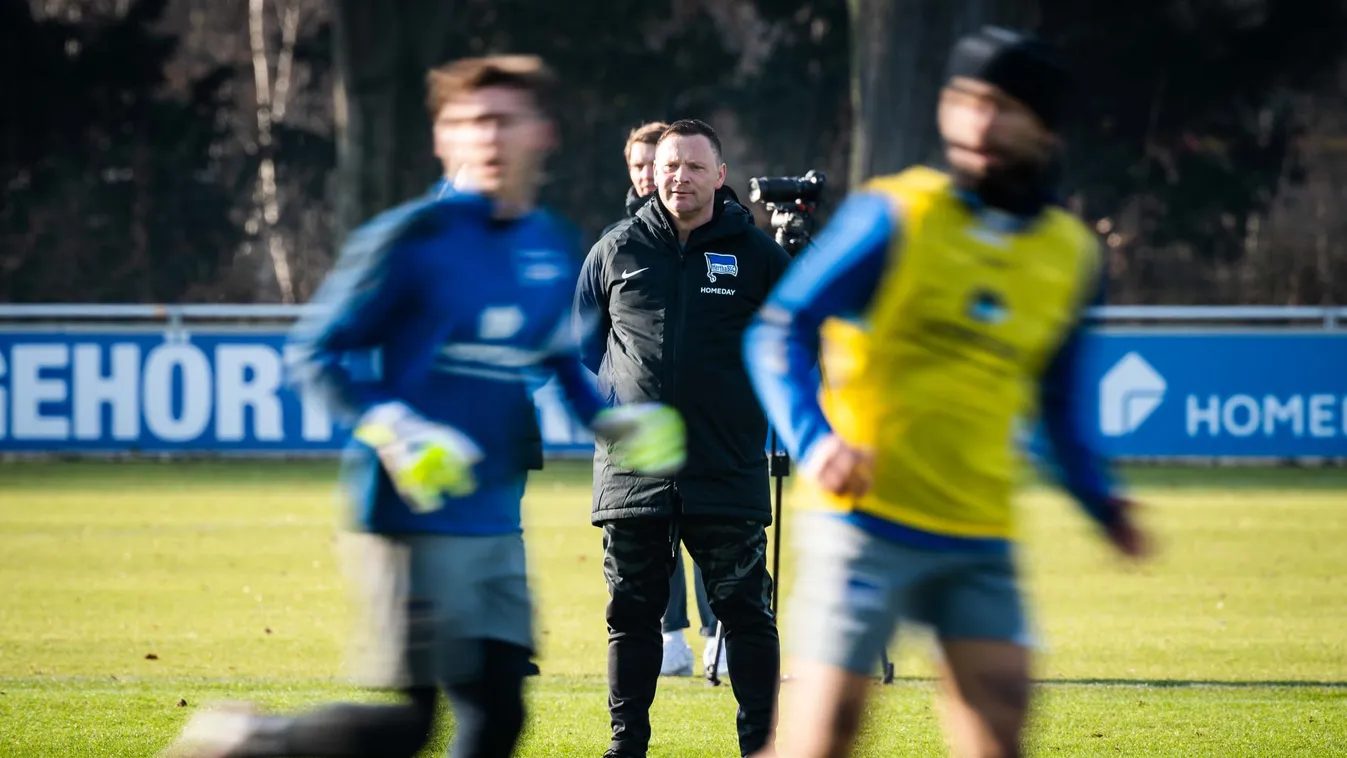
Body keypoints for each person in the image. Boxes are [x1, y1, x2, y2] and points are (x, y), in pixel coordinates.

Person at [159, 55, 687, 758]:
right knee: (416, 723)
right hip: (411, 513)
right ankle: (254, 741)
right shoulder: (411, 238)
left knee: (498, 715)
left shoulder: (548, 242)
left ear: (543, 134)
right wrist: (397, 431)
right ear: (443, 139)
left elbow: (557, 360)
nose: (489, 137)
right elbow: (315, 352)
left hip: (496, 521)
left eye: (505, 120)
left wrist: (609, 419)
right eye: (470, 123)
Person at [742, 27, 1149, 758]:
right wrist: (815, 441)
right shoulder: (895, 215)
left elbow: (1058, 407)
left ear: (1045, 126)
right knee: (819, 740)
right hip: (861, 523)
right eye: (963, 102)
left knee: (999, 735)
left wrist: (1101, 502)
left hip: (977, 534)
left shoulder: (1071, 255)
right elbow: (778, 331)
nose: (976, 123)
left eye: (1000, 106)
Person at [576, 118, 792, 758]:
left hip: (725, 467)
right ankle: (626, 745)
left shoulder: (756, 255)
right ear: (651, 173)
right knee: (632, 616)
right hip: (634, 472)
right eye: (670, 165)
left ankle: (761, 744)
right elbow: (583, 351)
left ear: (720, 176)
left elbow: (796, 339)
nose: (680, 177)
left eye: (695, 166)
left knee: (747, 615)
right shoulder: (615, 249)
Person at [603, 119, 724, 678]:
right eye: (641, 165)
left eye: (665, 163)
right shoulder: (617, 245)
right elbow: (585, 341)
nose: (653, 174)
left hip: (708, 432)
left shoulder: (721, 240)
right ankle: (670, 635)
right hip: (642, 436)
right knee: (654, 546)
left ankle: (715, 631)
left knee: (712, 535)